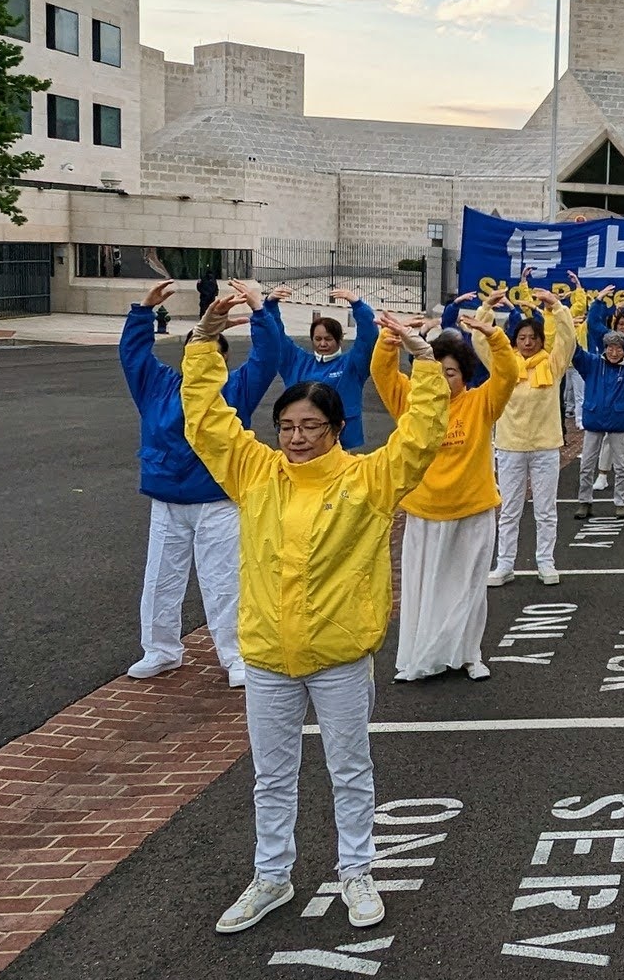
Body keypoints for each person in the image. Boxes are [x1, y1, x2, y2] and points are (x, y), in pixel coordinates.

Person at [182, 287, 448, 936]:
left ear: (336, 430)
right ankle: (271, 876)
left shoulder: (369, 480)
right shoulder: (254, 472)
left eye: (311, 427)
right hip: (268, 656)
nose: (298, 438)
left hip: (339, 657)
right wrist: (203, 343)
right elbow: (207, 421)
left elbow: (420, 437)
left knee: (349, 771)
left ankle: (356, 871)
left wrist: (425, 363)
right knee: (271, 777)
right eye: (288, 427)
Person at [122, 281, 283, 688]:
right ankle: (160, 650)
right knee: (160, 579)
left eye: (216, 352)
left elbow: (268, 357)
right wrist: (143, 311)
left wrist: (261, 311)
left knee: (224, 580)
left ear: (222, 360)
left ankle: (237, 655)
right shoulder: (158, 386)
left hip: (218, 500)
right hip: (166, 498)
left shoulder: (235, 389)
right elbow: (133, 356)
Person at [373, 307, 522, 681]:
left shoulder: (480, 403)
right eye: (436, 371)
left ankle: (469, 655)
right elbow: (383, 374)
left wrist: (495, 337)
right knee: (423, 588)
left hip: (473, 510)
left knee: (468, 589)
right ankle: (417, 660)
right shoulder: (412, 401)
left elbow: (508, 374)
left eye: (451, 372)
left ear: (465, 375)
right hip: (424, 513)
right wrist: (390, 339)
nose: (443, 378)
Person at [480, 287, 574, 587]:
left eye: (533, 338)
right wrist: (487, 308)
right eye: (522, 338)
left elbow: (568, 339)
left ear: (541, 341)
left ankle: (546, 561)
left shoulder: (552, 365)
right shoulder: (505, 367)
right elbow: (481, 342)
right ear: (514, 341)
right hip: (510, 447)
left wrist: (557, 306)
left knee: (546, 511)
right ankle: (505, 564)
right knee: (509, 509)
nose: (528, 343)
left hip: (546, 447)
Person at [252, 289, 380, 452]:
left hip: (340, 443)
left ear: (340, 340)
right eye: (318, 339)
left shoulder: (352, 365)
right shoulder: (296, 362)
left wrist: (358, 304)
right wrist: (270, 304)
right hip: (299, 441)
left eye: (328, 339)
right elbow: (276, 336)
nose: (323, 344)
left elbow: (367, 338)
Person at [574, 306, 624, 519]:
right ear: (605, 348)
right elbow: (576, 354)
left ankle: (620, 502)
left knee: (621, 466)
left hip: (619, 422)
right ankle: (584, 501)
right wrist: (570, 332)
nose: (613, 352)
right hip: (594, 420)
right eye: (610, 348)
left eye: (618, 349)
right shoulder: (593, 363)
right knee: (586, 465)